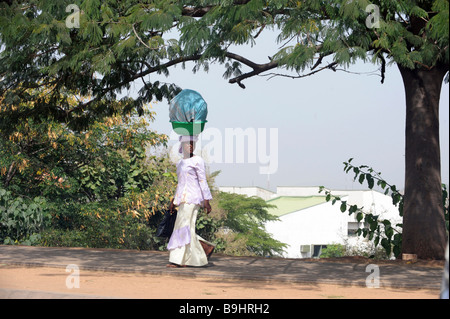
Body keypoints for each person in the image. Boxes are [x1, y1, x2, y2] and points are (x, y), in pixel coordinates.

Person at [166, 135, 214, 268]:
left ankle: (177, 260)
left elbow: (202, 180)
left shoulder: (198, 160)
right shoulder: (180, 163)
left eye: (193, 143)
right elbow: (180, 184)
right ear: (182, 145)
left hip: (193, 199)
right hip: (183, 199)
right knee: (188, 228)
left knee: (182, 227)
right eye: (188, 143)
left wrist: (207, 200)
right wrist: (174, 202)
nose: (191, 145)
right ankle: (203, 249)